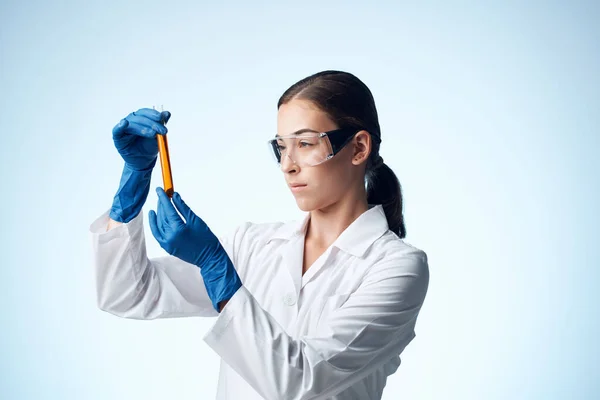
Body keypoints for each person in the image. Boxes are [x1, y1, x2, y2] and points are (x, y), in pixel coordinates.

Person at [89, 70, 430, 400]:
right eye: (282, 146)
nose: (288, 164)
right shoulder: (253, 246)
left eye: (306, 143)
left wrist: (215, 268)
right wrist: (131, 189)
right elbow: (128, 294)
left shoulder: (397, 268)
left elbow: (299, 382)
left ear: (358, 148)